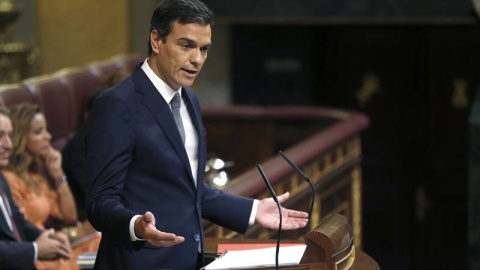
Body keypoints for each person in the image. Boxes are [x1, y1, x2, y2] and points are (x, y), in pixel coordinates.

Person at [84, 0, 309, 269]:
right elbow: (100, 202)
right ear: (157, 40)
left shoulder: (189, 98)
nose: (197, 59)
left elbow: (189, 190)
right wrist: (136, 226)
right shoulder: (117, 104)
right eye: (187, 45)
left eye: (204, 49)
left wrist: (252, 211)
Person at [4, 103, 101, 270]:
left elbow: (69, 215)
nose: (48, 137)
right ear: (21, 137)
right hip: (37, 255)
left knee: (111, 241)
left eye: (46, 130)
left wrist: (58, 174)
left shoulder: (35, 177)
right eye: (38, 132)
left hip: (53, 244)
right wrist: (73, 235)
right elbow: (18, 229)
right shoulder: (9, 179)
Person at [0, 106, 72, 270]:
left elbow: (17, 220)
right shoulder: (10, 179)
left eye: (10, 136)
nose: (8, 145)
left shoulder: (2, 180)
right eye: (0, 136)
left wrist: (47, 236)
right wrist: (35, 249)